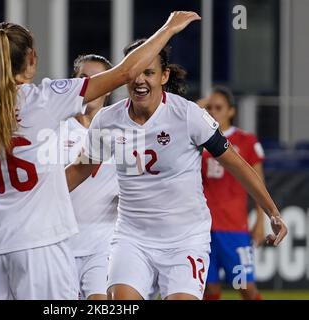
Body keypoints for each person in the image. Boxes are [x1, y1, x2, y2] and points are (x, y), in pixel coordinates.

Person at [0, 12, 202, 299]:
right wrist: (167, 29)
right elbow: (125, 72)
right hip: (41, 242)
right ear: (32, 57)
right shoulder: (47, 98)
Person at [65, 39, 288, 300]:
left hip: (185, 240)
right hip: (131, 238)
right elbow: (80, 171)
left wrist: (272, 211)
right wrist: (36, 196)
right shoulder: (108, 120)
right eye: (134, 71)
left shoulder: (188, 115)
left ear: (164, 76)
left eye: (149, 72)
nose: (140, 80)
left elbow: (237, 165)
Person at [200, 86, 265, 300]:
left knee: (244, 286)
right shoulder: (198, 140)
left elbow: (257, 183)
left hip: (234, 229)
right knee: (208, 289)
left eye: (219, 107)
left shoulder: (246, 141)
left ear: (231, 111)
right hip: (203, 230)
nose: (213, 111)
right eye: (209, 107)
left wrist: (260, 221)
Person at [64, 54, 118, 300]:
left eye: (98, 79)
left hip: (103, 246)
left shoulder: (123, 132)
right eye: (84, 79)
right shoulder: (54, 129)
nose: (91, 85)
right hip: (60, 246)